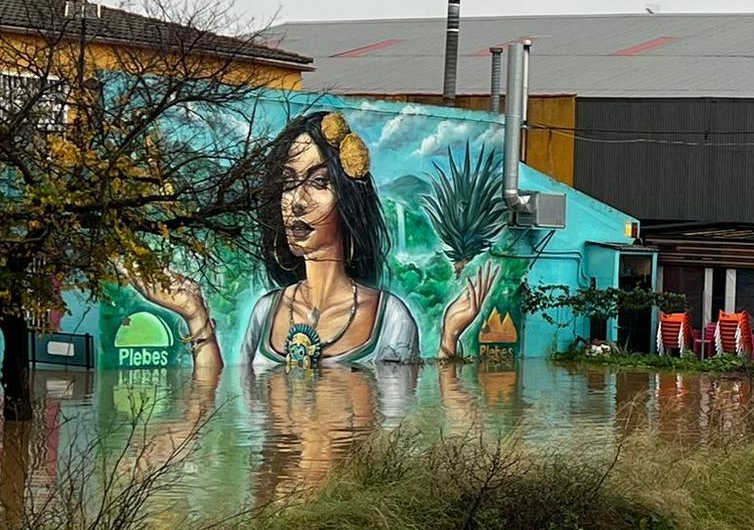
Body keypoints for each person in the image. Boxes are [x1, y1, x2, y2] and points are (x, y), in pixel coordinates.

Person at [130, 107, 498, 373]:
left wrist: (449, 338)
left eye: (320, 182)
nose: (297, 201)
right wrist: (195, 315)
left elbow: (402, 434)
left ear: (350, 203)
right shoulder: (264, 313)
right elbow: (223, 408)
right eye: (288, 183)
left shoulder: (390, 320)